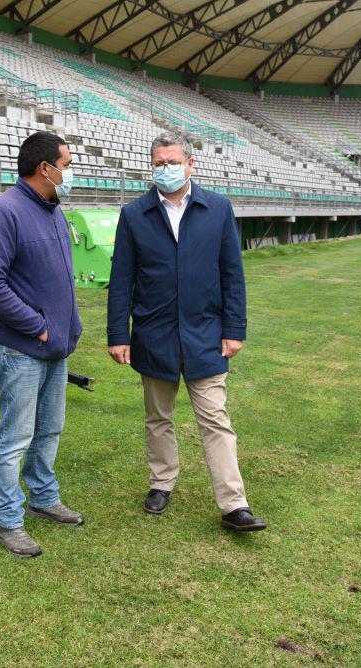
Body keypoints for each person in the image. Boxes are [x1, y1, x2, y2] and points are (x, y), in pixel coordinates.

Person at [106, 131, 266, 532]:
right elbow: (121, 279)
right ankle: (162, 482)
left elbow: (232, 273)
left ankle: (234, 504)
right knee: (158, 417)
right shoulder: (134, 214)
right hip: (153, 333)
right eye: (159, 162)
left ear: (190, 164)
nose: (166, 168)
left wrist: (235, 328)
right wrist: (117, 334)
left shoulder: (217, 208)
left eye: (172, 161)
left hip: (206, 334)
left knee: (215, 418)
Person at [0, 131, 84, 558]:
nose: (69, 174)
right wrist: (37, 326)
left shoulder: (53, 210)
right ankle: (8, 521)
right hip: (20, 351)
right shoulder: (4, 212)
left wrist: (66, 327)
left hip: (55, 350)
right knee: (15, 438)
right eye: (67, 165)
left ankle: (43, 496)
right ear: (46, 168)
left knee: (49, 431)